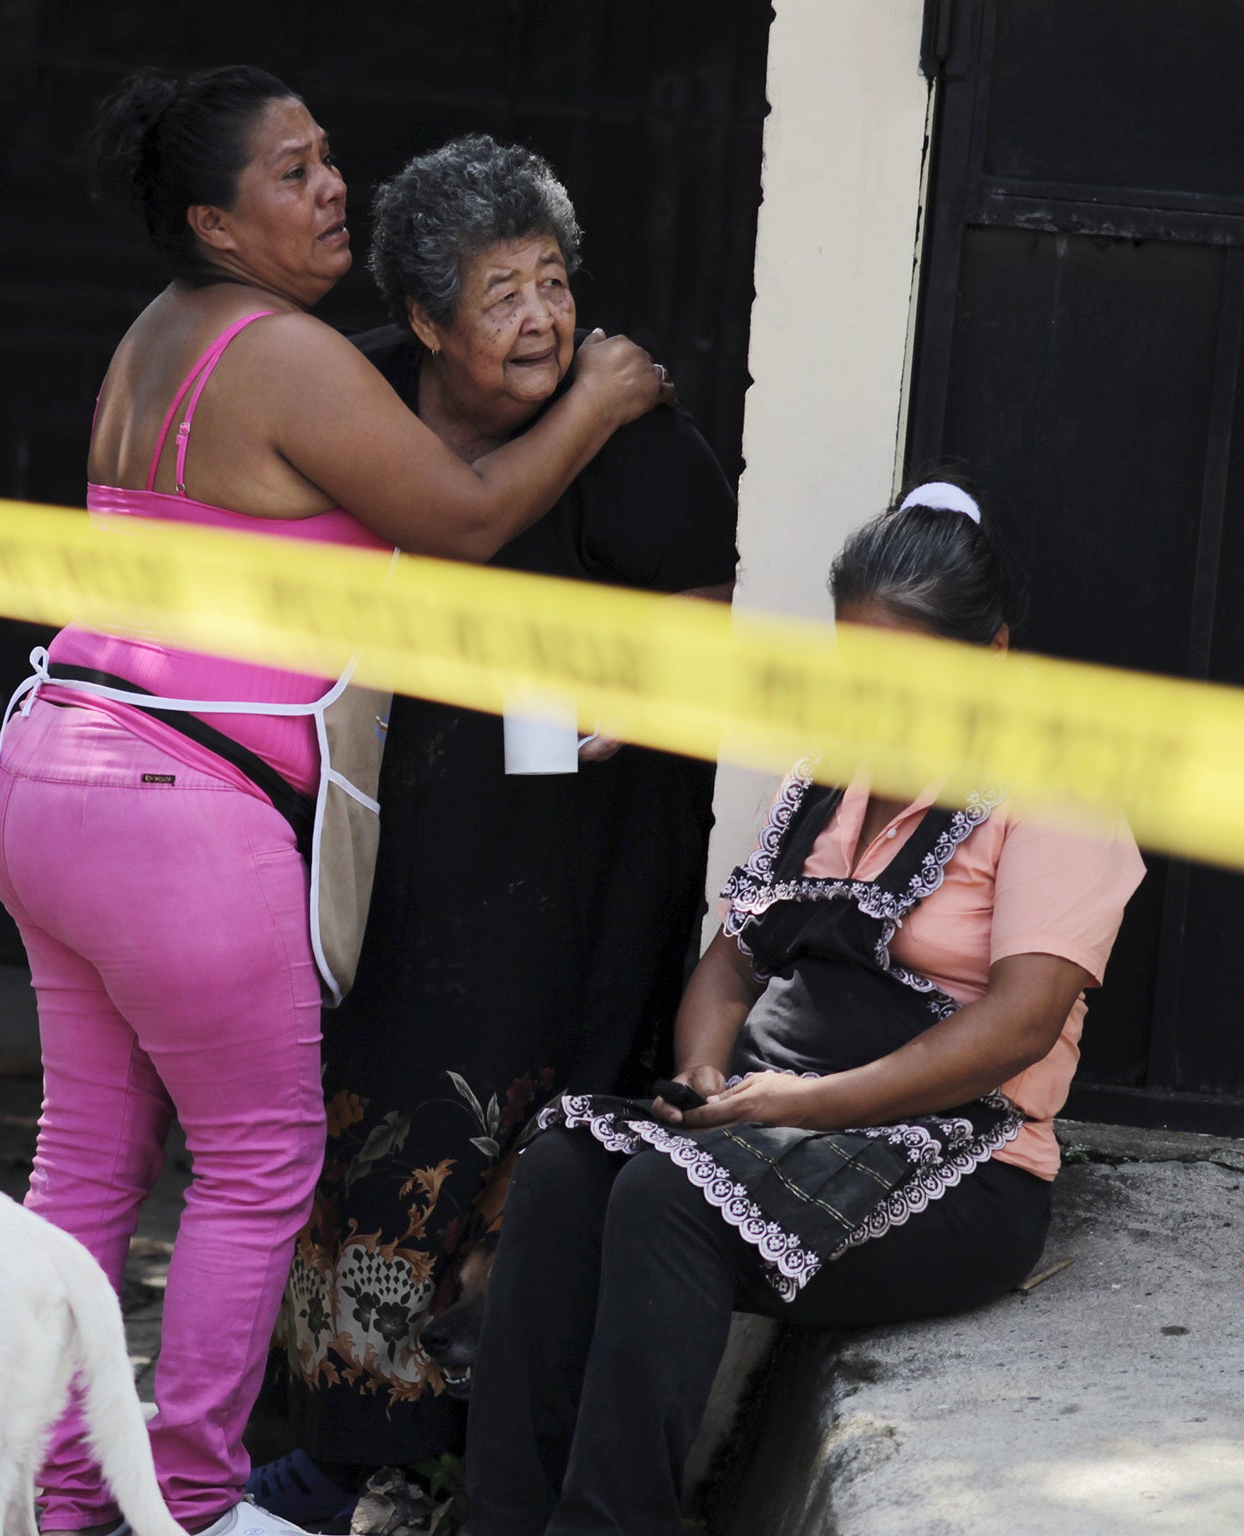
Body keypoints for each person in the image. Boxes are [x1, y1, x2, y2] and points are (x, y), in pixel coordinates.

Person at [0, 70, 671, 1536]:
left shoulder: (154, 340)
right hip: (177, 805)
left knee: (91, 1157)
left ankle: (55, 1501)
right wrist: (599, 397)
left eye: (327, 157)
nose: (332, 187)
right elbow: (470, 517)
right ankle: (194, 1497)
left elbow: (391, 501)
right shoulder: (282, 351)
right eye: (293, 175)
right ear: (218, 222)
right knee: (259, 1164)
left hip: (50, 765)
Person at [460, 480, 1148, 1536]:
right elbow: (731, 964)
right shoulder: (830, 778)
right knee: (562, 1169)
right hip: (766, 1118)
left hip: (953, 1162)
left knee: (664, 1198)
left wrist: (809, 1105)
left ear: (993, 654)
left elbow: (1017, 1022)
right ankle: (500, 1517)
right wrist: (703, 1070)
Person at [252, 133, 738, 1522]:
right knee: (357, 1115)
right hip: (384, 837)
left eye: (551, 281)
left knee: (523, 1129)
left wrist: (638, 693)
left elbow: (706, 605)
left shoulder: (628, 426)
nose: (540, 319)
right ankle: (347, 1449)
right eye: (499, 291)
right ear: (421, 320)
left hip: (564, 855)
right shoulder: (353, 390)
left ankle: (468, 1464)